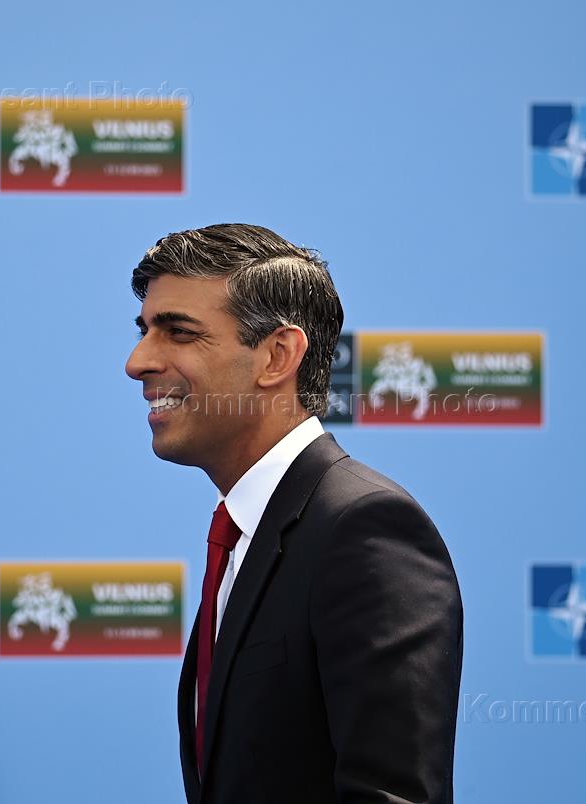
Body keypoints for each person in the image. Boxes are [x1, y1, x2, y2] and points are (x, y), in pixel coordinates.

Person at [124, 223, 464, 804]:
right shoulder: (247, 532)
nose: (138, 362)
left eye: (178, 332)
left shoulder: (364, 530)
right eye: (144, 331)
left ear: (277, 356)